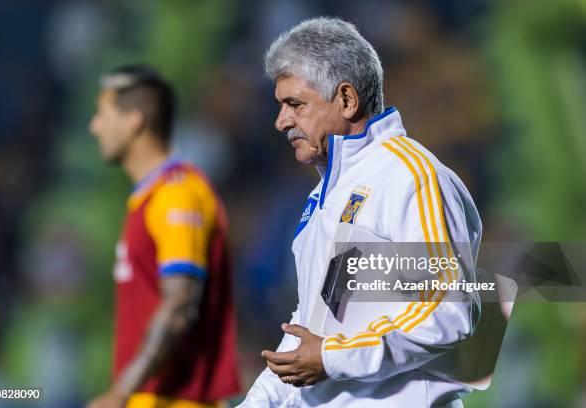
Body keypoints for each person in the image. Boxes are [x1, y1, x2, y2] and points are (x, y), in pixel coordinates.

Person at [240, 17, 482, 407]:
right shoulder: (326, 194)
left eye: (295, 105)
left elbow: (450, 310)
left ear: (347, 100)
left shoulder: (411, 177)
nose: (281, 121)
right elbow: (312, 325)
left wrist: (331, 357)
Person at [87, 65, 240, 408]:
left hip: (178, 400)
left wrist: (119, 392)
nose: (94, 127)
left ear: (133, 121)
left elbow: (179, 305)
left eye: (102, 115)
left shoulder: (177, 194)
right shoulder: (149, 197)